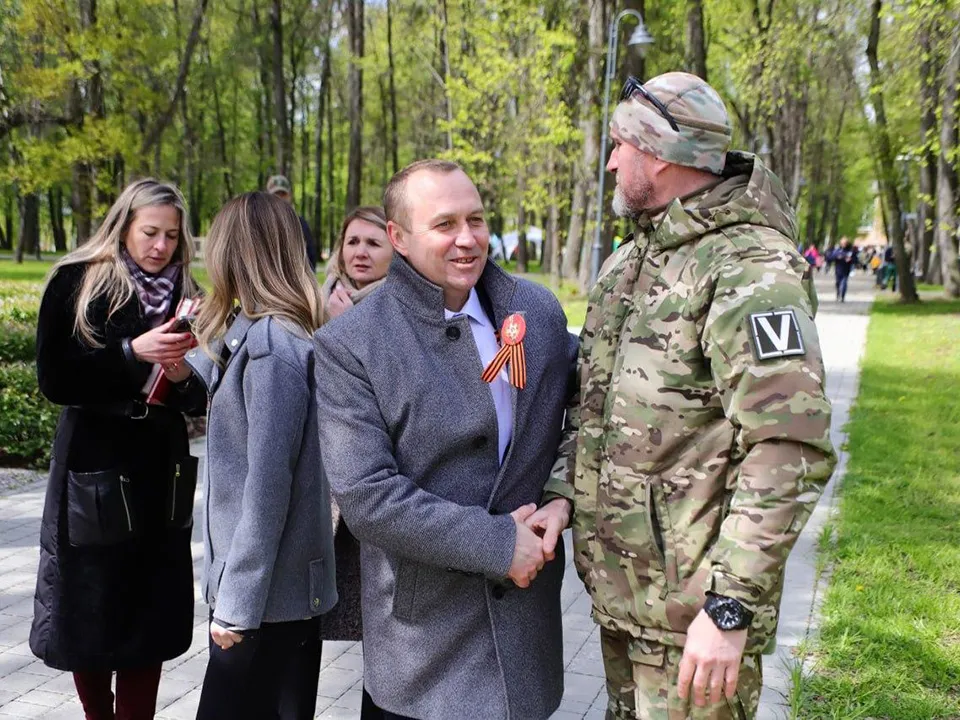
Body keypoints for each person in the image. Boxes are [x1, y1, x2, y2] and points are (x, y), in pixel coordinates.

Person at [541, 72, 837, 719]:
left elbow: (787, 447)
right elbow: (593, 414)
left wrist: (730, 608)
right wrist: (562, 496)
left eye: (621, 144)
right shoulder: (630, 265)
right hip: (627, 605)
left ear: (662, 154)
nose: (612, 160)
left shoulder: (751, 271)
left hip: (697, 624)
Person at [314, 159, 578, 720]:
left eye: (476, 220)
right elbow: (368, 498)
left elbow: (590, 412)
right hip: (422, 648)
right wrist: (498, 546)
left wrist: (563, 495)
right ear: (399, 237)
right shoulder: (350, 345)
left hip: (524, 637)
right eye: (445, 224)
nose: (467, 239)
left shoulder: (538, 312)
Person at [30, 179, 205, 720]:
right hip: (94, 465)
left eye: (171, 237)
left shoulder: (187, 292)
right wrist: (131, 352)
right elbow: (55, 378)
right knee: (90, 607)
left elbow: (201, 396)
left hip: (160, 468)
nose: (160, 247)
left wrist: (177, 372)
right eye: (150, 232)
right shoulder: (75, 282)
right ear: (123, 224)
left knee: (147, 615)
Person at [185, 192, 337, 720]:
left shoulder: (273, 349)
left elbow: (266, 490)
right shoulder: (266, 335)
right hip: (277, 597)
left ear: (236, 253)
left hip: (263, 604)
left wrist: (236, 607)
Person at [321, 206, 393, 322]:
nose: (360, 253)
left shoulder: (406, 306)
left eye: (373, 244)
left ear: (395, 252)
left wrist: (346, 323)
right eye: (352, 242)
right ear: (341, 251)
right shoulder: (323, 298)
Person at [266, 174, 318, 272]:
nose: (279, 198)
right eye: (275, 194)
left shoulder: (300, 224)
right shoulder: (261, 226)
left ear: (289, 196)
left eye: (283, 194)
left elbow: (311, 258)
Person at [833, 237, 856, 301]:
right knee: (838, 283)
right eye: (842, 243)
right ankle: (838, 294)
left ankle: (843, 296)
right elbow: (832, 256)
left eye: (845, 243)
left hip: (846, 270)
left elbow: (855, 259)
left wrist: (850, 260)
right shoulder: (838, 250)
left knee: (844, 283)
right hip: (838, 270)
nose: (844, 244)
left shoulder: (850, 251)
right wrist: (837, 257)